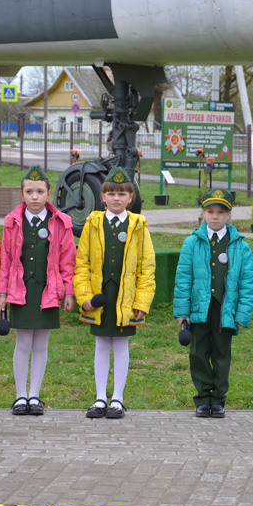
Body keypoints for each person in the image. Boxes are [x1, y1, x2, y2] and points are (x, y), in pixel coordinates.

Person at [73, 167, 155, 419]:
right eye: (111, 193)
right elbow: (82, 263)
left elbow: (147, 267)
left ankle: (117, 398)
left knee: (120, 346)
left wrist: (142, 301)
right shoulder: (92, 224)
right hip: (100, 297)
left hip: (125, 298)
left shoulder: (138, 225)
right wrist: (85, 298)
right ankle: (100, 398)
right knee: (101, 345)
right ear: (102, 197)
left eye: (122, 194)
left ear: (131, 198)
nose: (116, 198)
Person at [0, 165, 77, 416]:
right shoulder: (12, 222)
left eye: (40, 191)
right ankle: (20, 396)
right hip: (20, 290)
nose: (34, 196)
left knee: (41, 344)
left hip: (48, 291)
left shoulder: (61, 223)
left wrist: (69, 291)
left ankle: (34, 395)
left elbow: (68, 260)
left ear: (49, 193)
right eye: (29, 191)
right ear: (21, 194)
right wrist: (2, 293)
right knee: (22, 343)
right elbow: (5, 260)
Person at [173, 188, 253, 418]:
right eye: (210, 212)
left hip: (225, 309)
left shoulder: (241, 246)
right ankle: (202, 398)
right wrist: (182, 310)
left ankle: (218, 399)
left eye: (221, 212)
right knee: (198, 353)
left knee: (221, 353)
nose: (215, 216)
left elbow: (247, 283)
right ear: (204, 213)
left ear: (229, 214)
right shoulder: (192, 243)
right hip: (199, 307)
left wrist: (241, 314)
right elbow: (183, 278)